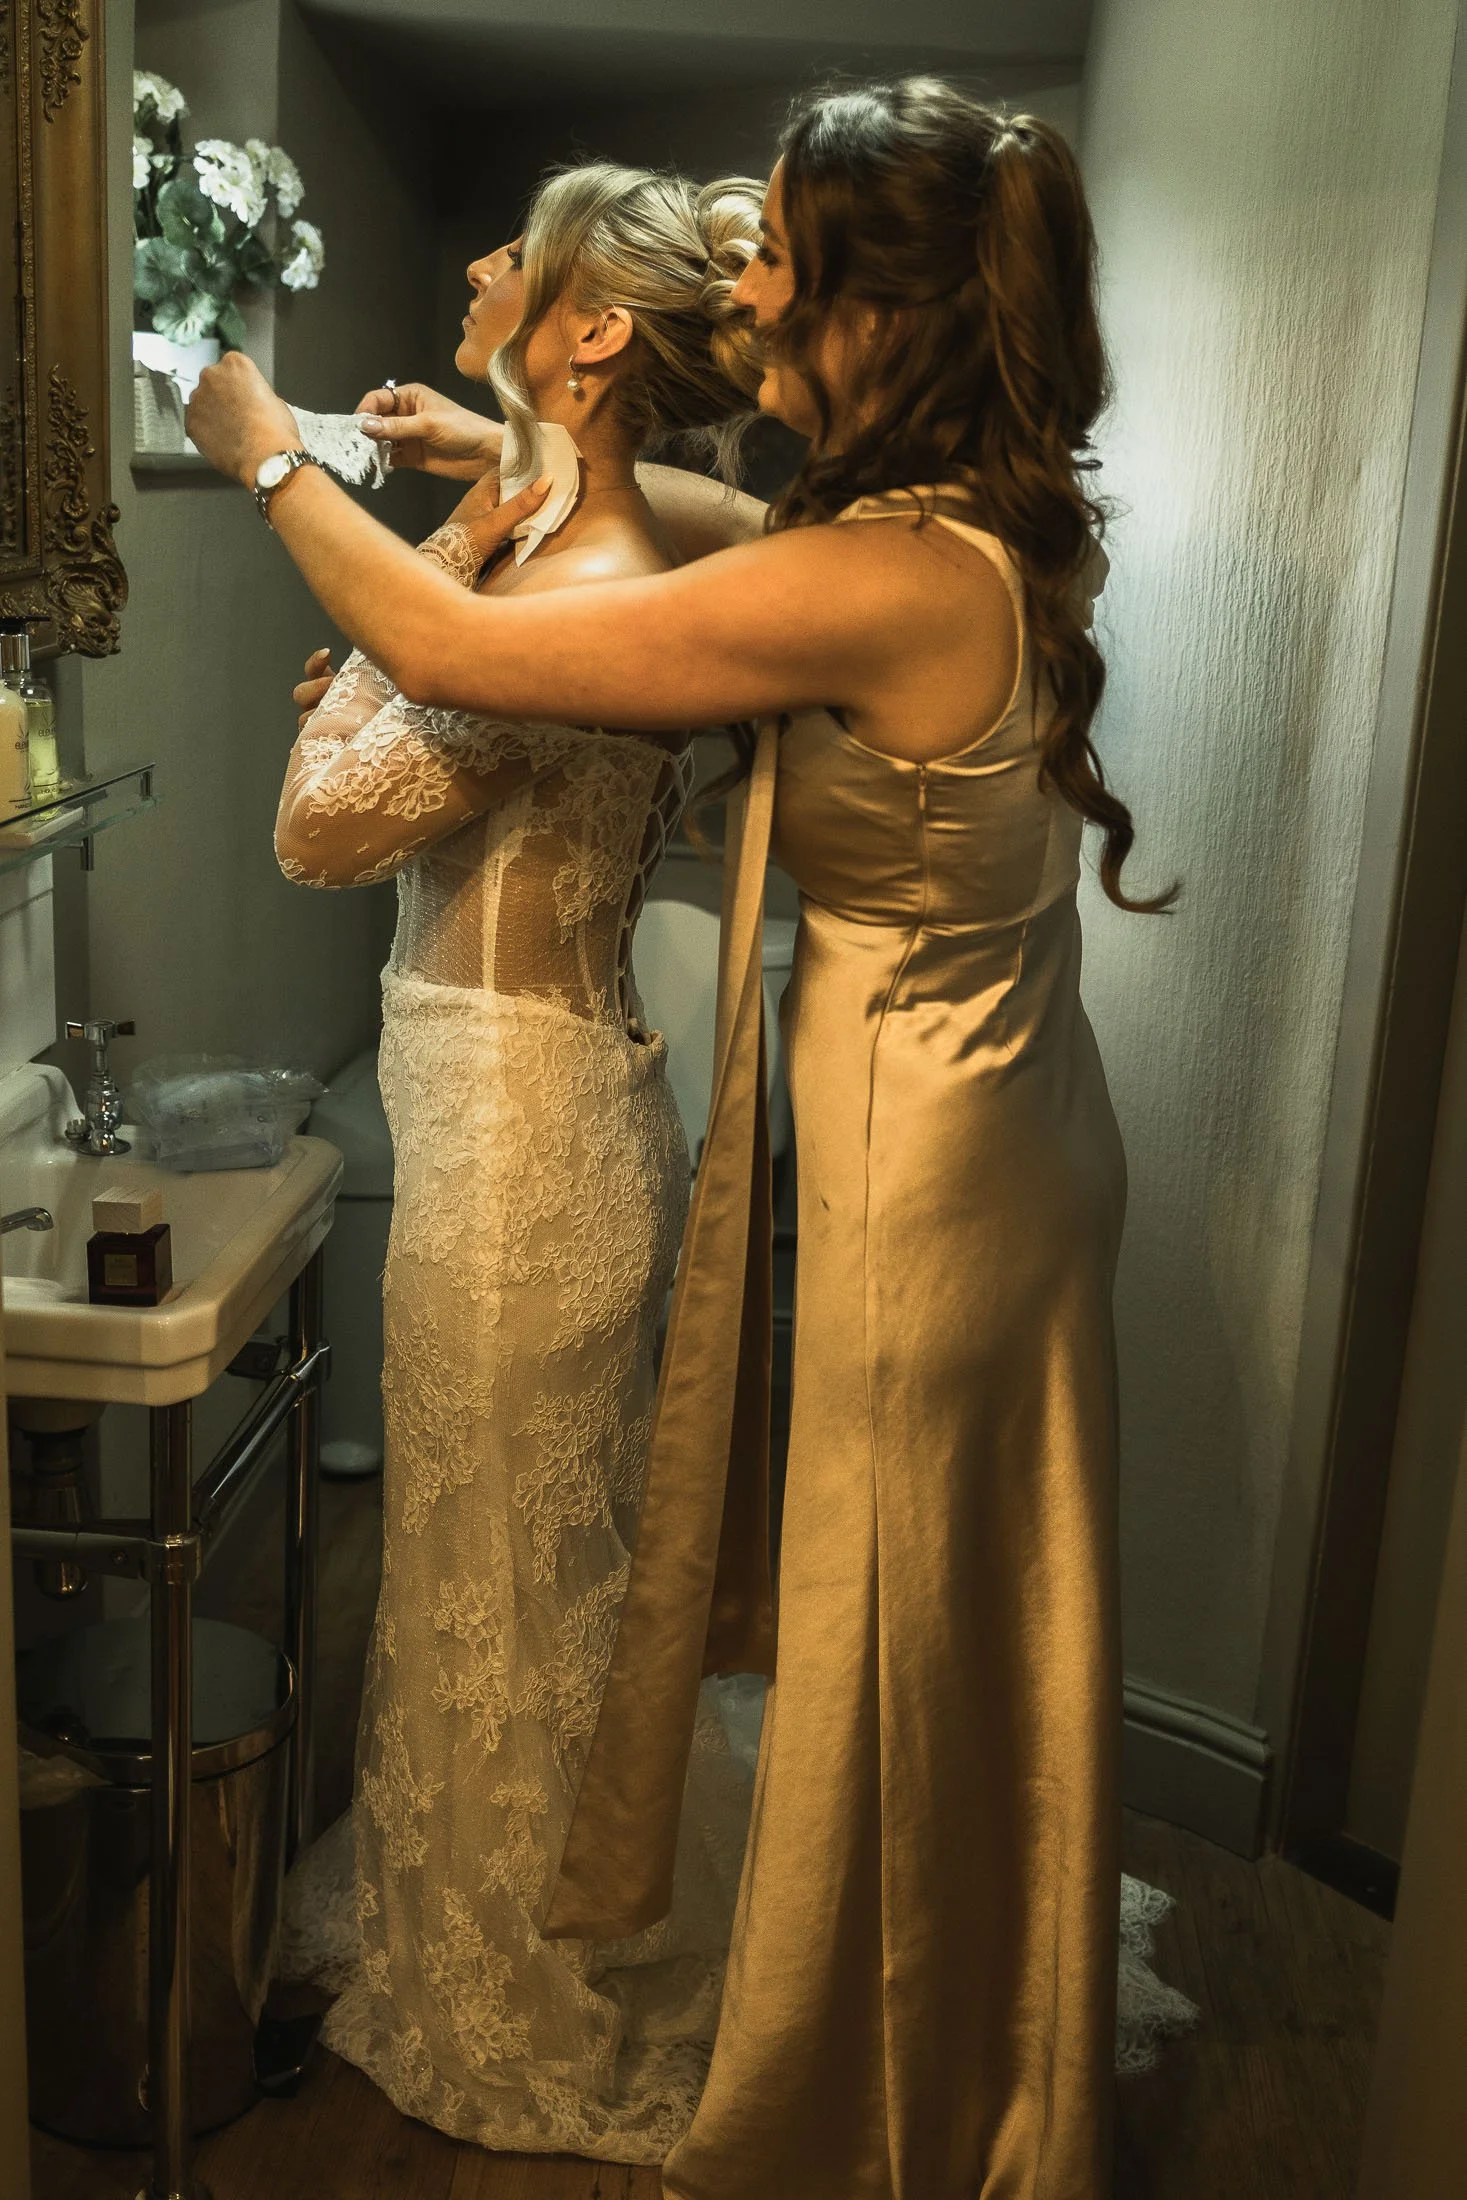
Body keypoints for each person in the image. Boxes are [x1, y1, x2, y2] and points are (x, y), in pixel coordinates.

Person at [190, 78, 1191, 2199]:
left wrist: (262, 448)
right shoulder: (921, 543)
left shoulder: (895, 580)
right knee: (887, 1624)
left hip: (944, 1172)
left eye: (783, 259)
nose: (745, 279)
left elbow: (470, 648)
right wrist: (506, 455)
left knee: (902, 1622)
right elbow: (722, 550)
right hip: (965, 1122)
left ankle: (926, 2082)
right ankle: (906, 2009)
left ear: (879, 311)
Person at [265, 161, 775, 2162]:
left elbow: (323, 831)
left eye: (516, 254)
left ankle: (521, 1982)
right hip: (525, 1108)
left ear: (588, 330)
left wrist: (283, 503)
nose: (472, 265)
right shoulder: (576, 522)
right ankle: (502, 1909)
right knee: (514, 1581)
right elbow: (424, 722)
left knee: (505, 1582)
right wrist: (461, 523)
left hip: (518, 1143)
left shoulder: (575, 573)